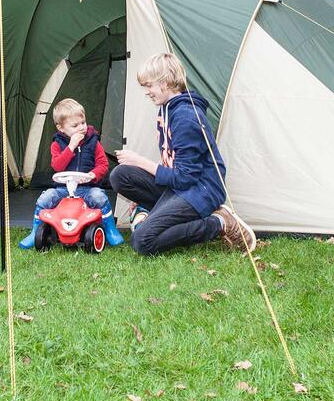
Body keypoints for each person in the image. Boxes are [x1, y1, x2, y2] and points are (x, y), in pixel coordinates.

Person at [110, 52, 256, 256]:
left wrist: (141, 161)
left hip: (200, 189)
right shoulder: (165, 109)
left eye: (149, 85)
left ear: (166, 82)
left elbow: (186, 177)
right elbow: (173, 165)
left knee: (142, 240)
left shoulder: (186, 117)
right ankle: (166, 217)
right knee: (121, 175)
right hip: (178, 187)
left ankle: (220, 223)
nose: (147, 92)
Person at [20, 97, 124, 249]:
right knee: (45, 198)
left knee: (99, 197)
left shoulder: (93, 142)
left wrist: (92, 175)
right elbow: (57, 166)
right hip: (63, 189)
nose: (81, 128)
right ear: (61, 128)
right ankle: (35, 230)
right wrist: (71, 147)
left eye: (83, 123)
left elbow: (103, 164)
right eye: (75, 125)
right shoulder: (57, 145)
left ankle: (110, 230)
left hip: (86, 188)